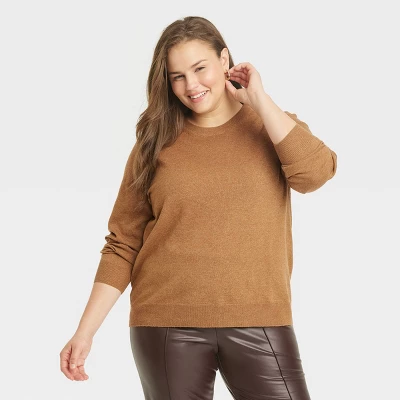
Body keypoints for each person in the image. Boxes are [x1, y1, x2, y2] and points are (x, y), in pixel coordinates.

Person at [60, 15, 337, 399]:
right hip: (166, 322)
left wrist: (260, 100)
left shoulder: (271, 127)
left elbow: (316, 174)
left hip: (259, 316)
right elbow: (123, 242)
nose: (191, 85)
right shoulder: (154, 144)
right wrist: (85, 332)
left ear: (224, 59)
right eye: (177, 76)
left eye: (199, 68)